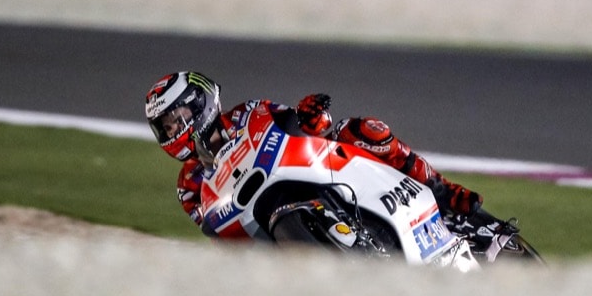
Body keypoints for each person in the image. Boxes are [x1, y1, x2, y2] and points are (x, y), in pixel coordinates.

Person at [145, 71, 482, 238]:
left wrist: (310, 115)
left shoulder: (250, 111)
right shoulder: (188, 185)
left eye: (176, 119)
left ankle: (441, 190)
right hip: (264, 229)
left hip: (306, 173)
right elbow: (217, 233)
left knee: (363, 130)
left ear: (199, 104)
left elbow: (311, 128)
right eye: (165, 127)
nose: (172, 131)